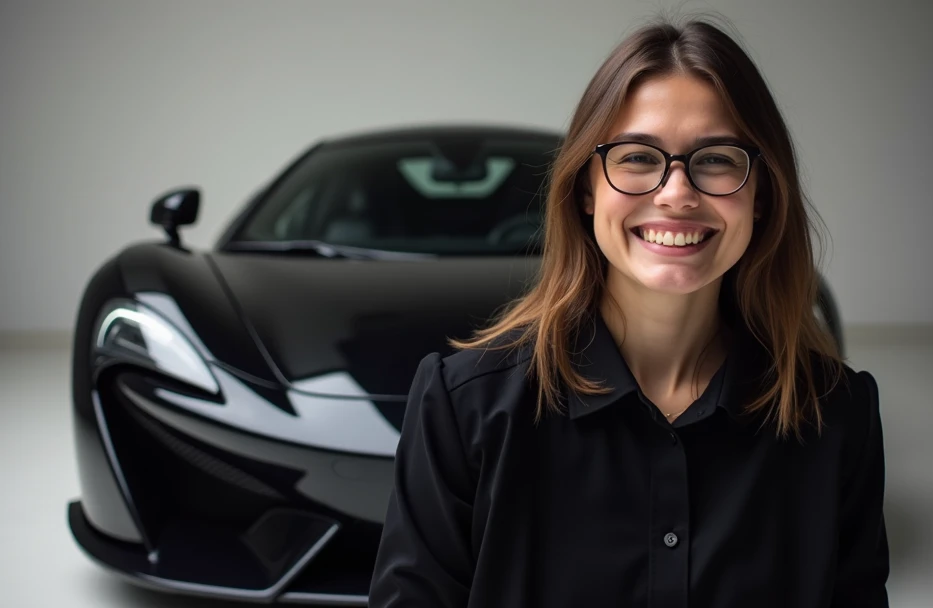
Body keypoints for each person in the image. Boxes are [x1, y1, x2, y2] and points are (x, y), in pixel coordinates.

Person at [368, 16, 889, 608]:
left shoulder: (837, 415)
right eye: (639, 157)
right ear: (587, 188)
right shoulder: (462, 406)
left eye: (716, 159)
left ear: (762, 194)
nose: (676, 192)